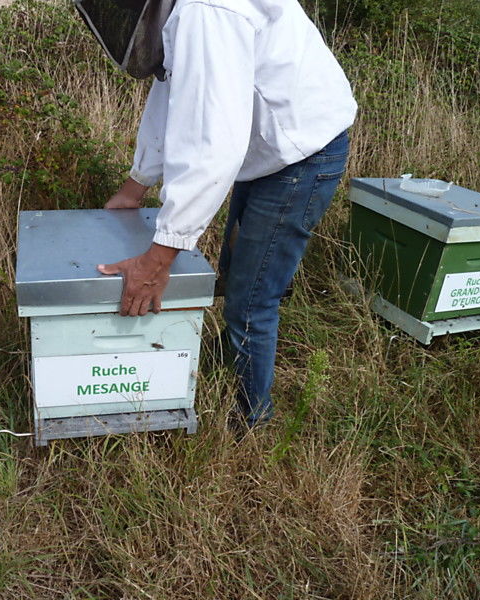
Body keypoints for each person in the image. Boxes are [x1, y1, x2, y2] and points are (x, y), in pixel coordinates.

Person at [86, 0, 357, 426]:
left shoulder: (207, 12)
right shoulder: (190, 14)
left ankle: (251, 421)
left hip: (301, 155)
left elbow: (212, 147)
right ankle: (225, 360)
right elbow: (173, 93)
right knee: (236, 277)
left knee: (252, 302)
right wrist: (135, 185)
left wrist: (159, 258)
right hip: (266, 146)